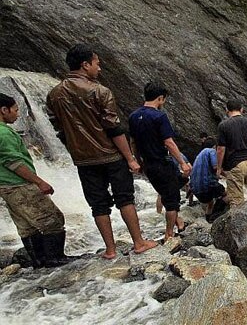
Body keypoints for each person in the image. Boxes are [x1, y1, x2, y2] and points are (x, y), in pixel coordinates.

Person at [47, 44, 157, 259]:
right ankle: (139, 242)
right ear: (85, 64)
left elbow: (59, 129)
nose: (100, 68)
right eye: (97, 63)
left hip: (83, 160)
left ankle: (110, 250)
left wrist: (75, 150)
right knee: (125, 198)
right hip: (111, 155)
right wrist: (130, 158)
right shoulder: (100, 91)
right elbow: (114, 128)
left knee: (98, 205)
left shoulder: (54, 95)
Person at [0, 93, 75, 268]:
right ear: (4, 110)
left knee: (26, 226)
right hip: (19, 184)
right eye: (15, 110)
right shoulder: (4, 133)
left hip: (6, 186)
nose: (17, 114)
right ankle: (55, 259)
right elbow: (14, 163)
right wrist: (39, 181)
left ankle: (39, 261)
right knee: (52, 219)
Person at [129, 82, 192, 241]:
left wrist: (138, 161)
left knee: (169, 190)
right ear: (160, 98)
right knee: (172, 200)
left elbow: (133, 142)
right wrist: (183, 163)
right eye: (163, 100)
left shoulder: (133, 116)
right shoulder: (159, 116)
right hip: (162, 163)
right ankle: (169, 235)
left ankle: (179, 223)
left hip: (148, 165)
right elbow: (169, 142)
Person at [216, 99, 247, 207]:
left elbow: (221, 149)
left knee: (236, 201)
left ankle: (239, 223)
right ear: (241, 109)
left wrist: (219, 168)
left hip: (235, 164)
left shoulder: (224, 125)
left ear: (226, 110)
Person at [190, 137, 226, 223]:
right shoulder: (211, 151)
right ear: (214, 146)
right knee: (228, 194)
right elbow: (215, 167)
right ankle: (215, 216)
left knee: (210, 202)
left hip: (196, 189)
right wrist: (227, 175)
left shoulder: (198, 155)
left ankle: (208, 220)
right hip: (207, 185)